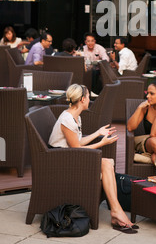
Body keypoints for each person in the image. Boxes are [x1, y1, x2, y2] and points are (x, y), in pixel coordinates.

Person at [48, 83, 138, 234]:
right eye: (89, 97)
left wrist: (97, 133)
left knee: (107, 162)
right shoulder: (67, 120)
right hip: (60, 162)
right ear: (82, 99)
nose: (90, 100)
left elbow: (77, 143)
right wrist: (102, 143)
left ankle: (116, 210)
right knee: (105, 163)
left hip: (68, 156)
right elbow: (76, 149)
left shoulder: (75, 117)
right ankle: (116, 211)